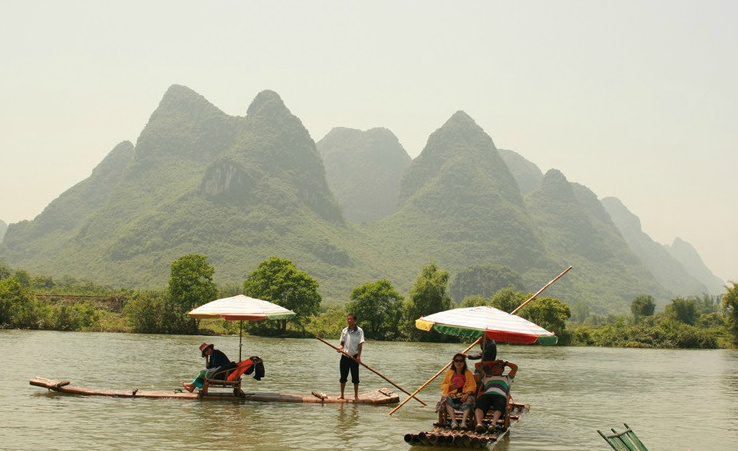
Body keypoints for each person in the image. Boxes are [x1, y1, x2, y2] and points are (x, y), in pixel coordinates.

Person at [474, 359, 518, 433]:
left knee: (500, 404)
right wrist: (493, 362)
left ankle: (493, 424)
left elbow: (515, 367)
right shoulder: (486, 377)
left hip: (500, 395)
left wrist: (505, 363)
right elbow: (477, 365)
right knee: (479, 404)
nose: (495, 369)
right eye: (493, 367)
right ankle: (479, 424)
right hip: (487, 395)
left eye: (498, 367)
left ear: (502, 370)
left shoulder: (507, 378)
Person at [436, 353, 477, 430]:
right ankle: (454, 422)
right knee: (445, 398)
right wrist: (449, 386)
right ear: (453, 362)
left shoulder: (468, 373)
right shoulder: (449, 372)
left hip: (464, 395)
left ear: (464, 363)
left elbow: (472, 386)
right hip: (452, 395)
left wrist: (467, 394)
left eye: (461, 361)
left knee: (470, 399)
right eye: (456, 361)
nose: (458, 363)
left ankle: (463, 422)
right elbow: (443, 385)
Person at [337, 313, 364, 400]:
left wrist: (359, 357)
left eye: (350, 319)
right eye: (348, 319)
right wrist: (340, 348)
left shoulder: (359, 331)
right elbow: (342, 343)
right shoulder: (344, 330)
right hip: (345, 356)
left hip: (354, 357)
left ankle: (356, 396)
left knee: (355, 378)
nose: (349, 321)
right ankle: (342, 395)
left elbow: (360, 344)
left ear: (355, 320)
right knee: (343, 377)